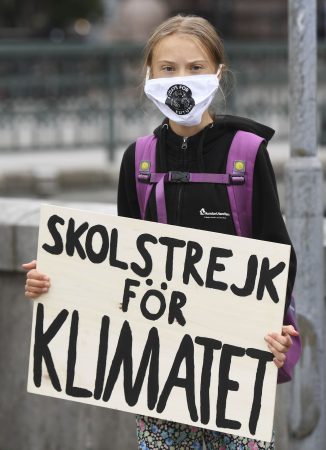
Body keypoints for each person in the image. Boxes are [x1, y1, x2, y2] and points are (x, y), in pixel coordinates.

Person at [23, 14, 300, 450]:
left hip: (236, 371)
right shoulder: (138, 160)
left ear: (218, 73)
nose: (181, 79)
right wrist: (59, 278)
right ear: (149, 76)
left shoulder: (246, 152)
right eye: (168, 68)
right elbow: (118, 263)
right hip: (161, 372)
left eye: (195, 67)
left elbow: (275, 251)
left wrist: (279, 329)